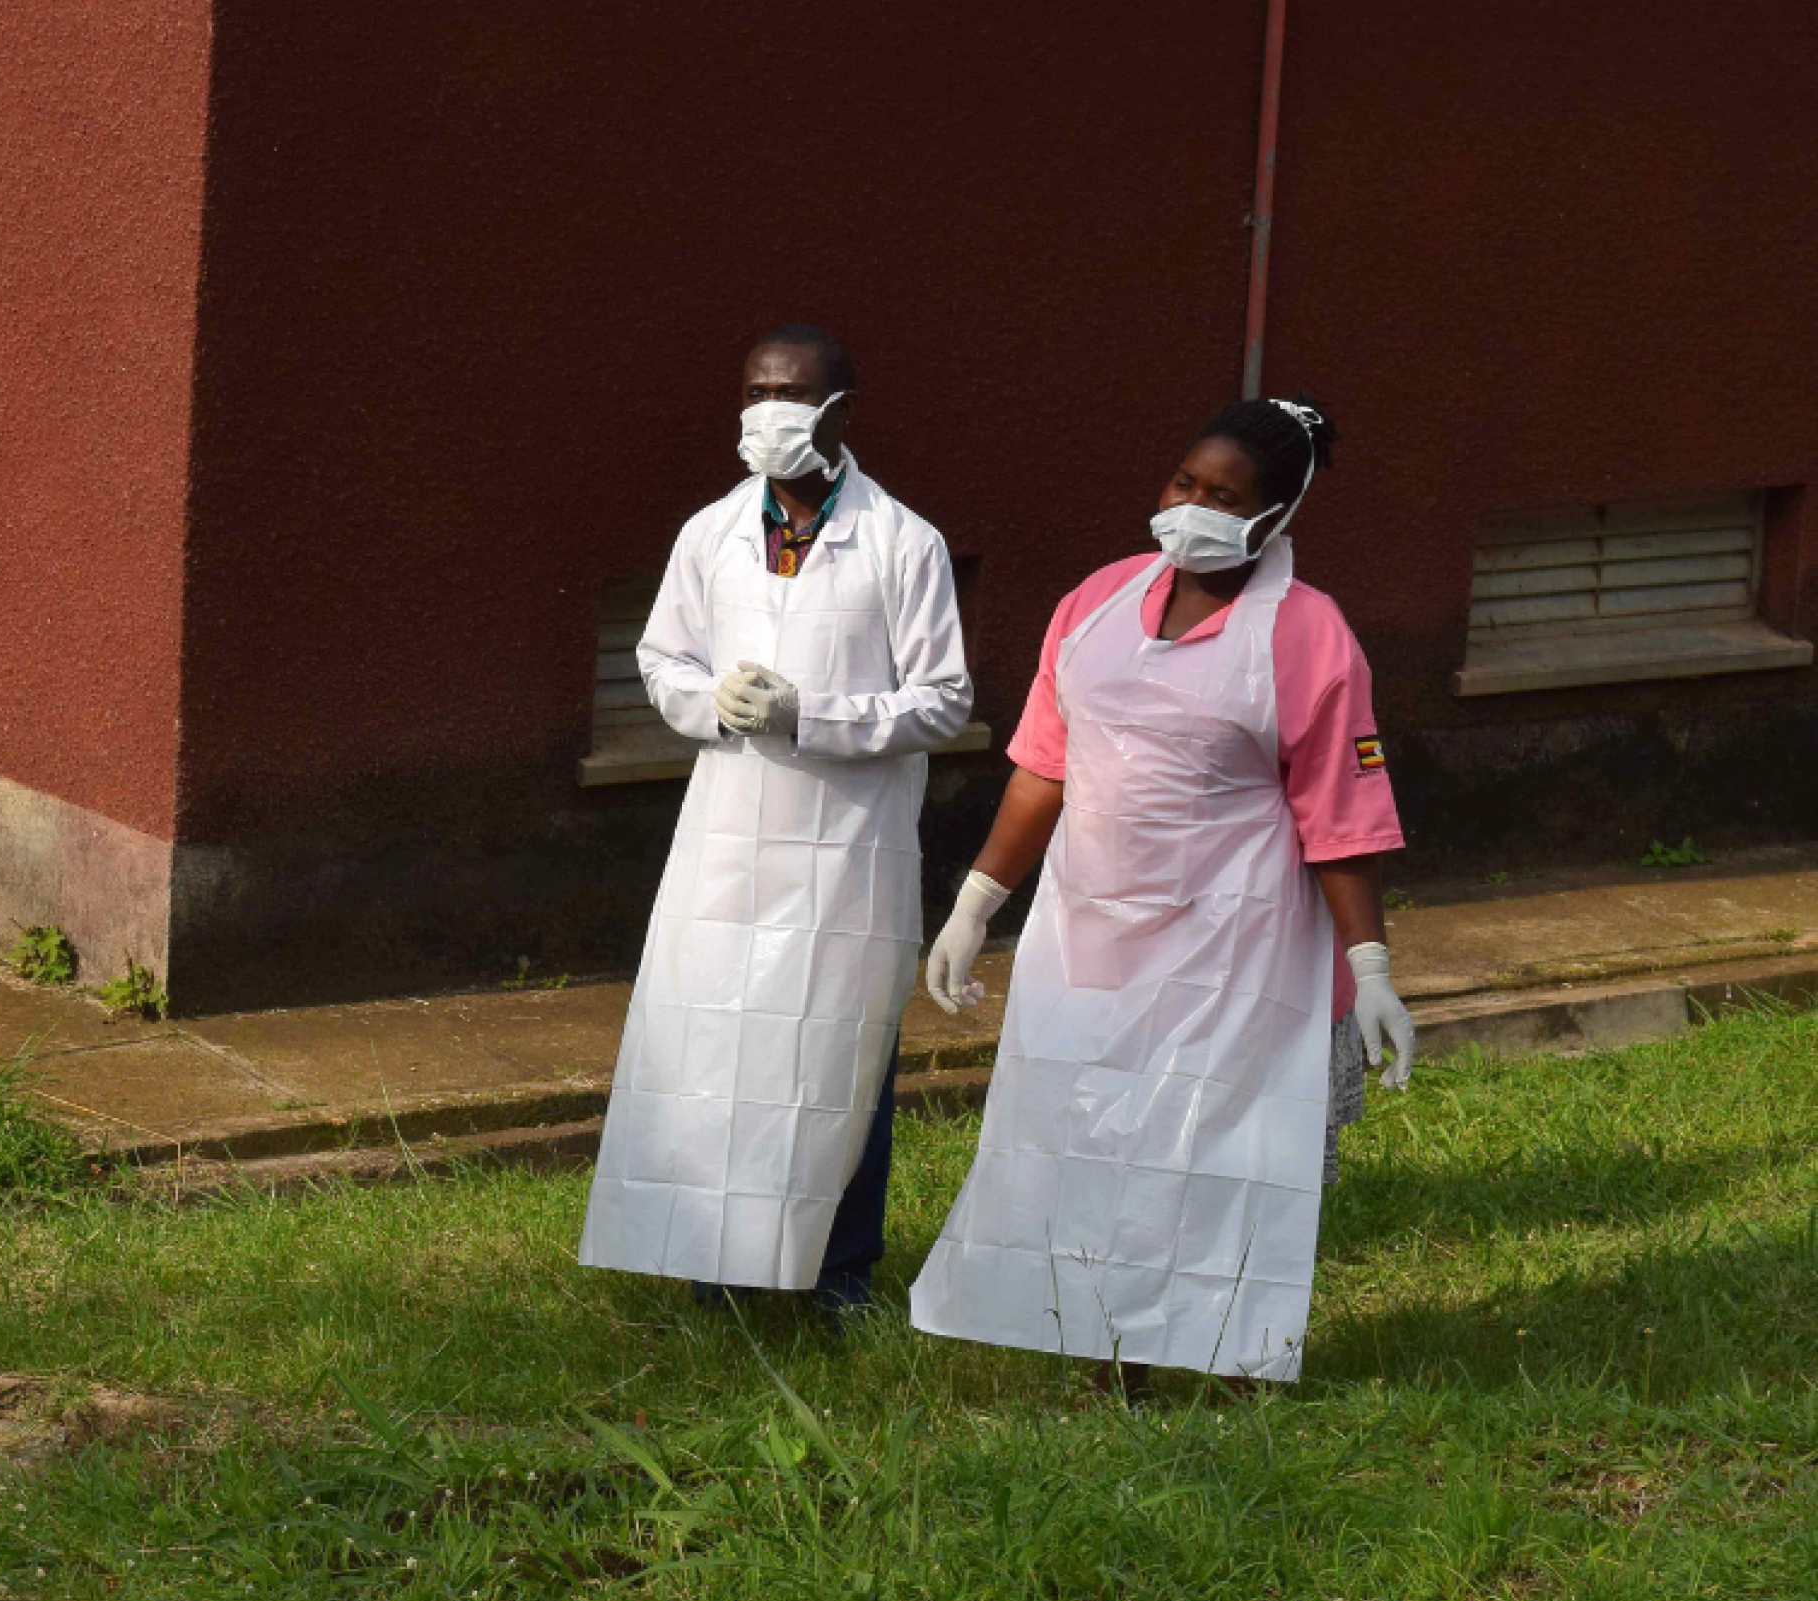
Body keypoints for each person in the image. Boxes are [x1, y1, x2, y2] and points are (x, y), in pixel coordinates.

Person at [908, 398, 1412, 1385]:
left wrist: (1370, 966)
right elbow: (1042, 768)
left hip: (1240, 944)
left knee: (1226, 1144)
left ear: (1274, 517)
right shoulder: (1093, 602)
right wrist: (975, 903)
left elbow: (1339, 817)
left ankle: (1227, 1348)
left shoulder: (1307, 636)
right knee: (1094, 1140)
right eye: (1184, 484)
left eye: (1225, 497)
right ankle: (1110, 1350)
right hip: (1094, 933)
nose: (1193, 508)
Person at [578, 325, 973, 1312]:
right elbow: (662, 657)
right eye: (753, 389)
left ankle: (837, 1273)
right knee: (716, 1047)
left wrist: (814, 713)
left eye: (789, 392)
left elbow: (942, 699)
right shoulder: (710, 532)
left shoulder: (900, 541)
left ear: (839, 406)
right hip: (728, 836)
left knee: (839, 1052)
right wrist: (707, 702)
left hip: (846, 842)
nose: (766, 410)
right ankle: (717, 1262)